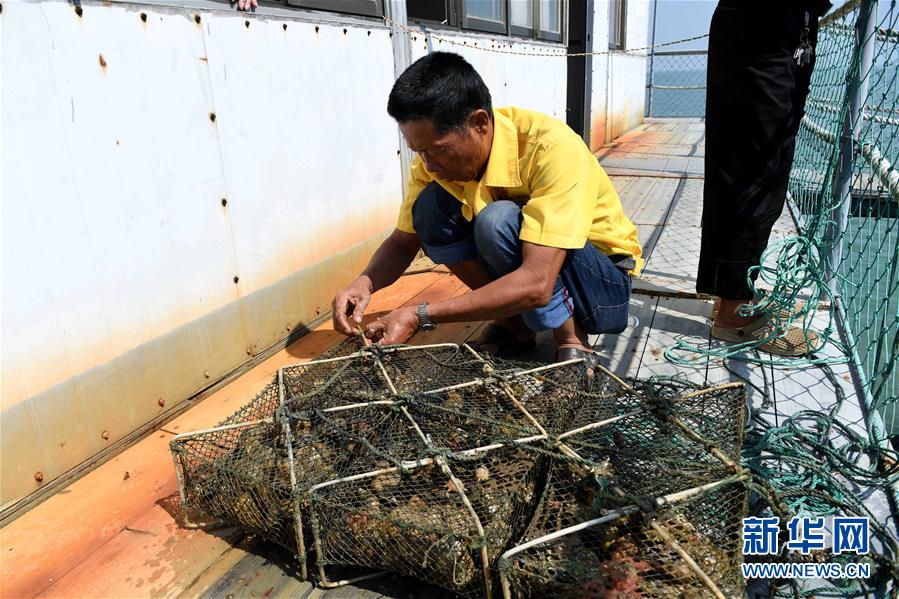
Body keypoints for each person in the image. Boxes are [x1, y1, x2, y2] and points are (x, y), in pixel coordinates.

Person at [331, 52, 643, 364]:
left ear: (480, 122)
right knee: (429, 209)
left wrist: (419, 314)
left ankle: (572, 339)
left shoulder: (552, 148)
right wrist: (364, 282)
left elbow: (536, 283)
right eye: (418, 151)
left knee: (497, 222)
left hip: (602, 289)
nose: (429, 165)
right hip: (540, 281)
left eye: (437, 151)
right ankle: (515, 325)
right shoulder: (432, 163)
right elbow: (402, 243)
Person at [698, 0, 830, 356]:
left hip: (778, 28)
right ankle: (733, 315)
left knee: (754, 164)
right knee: (754, 169)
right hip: (764, 30)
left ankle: (732, 291)